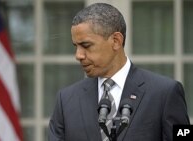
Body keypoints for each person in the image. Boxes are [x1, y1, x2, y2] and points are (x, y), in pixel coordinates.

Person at [48, 3, 190, 141]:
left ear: (116, 41)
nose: (78, 55)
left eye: (86, 45)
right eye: (76, 46)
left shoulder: (165, 93)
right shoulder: (66, 100)